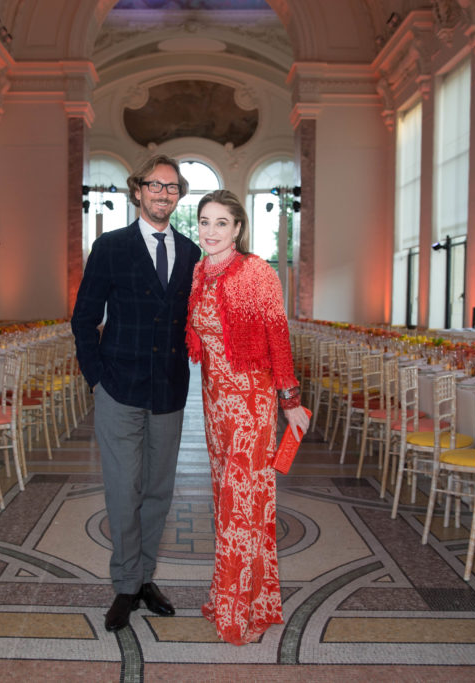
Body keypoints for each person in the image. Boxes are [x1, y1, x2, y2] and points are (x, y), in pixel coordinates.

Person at [71, 154, 203, 632]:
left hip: (169, 389)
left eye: (171, 187)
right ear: (138, 191)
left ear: (178, 195)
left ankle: (146, 577)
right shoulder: (110, 247)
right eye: (155, 185)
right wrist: (96, 378)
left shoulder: (191, 253)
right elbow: (84, 318)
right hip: (119, 389)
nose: (163, 193)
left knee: (158, 493)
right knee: (124, 490)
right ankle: (126, 585)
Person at [185, 189, 310, 646]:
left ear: (238, 228)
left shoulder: (256, 271)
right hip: (215, 405)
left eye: (221, 222)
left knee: (245, 504)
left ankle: (245, 610)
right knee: (228, 503)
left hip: (252, 404)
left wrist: (290, 400)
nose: (211, 231)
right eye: (204, 221)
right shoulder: (199, 272)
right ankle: (233, 597)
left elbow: (278, 335)